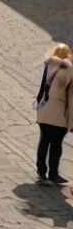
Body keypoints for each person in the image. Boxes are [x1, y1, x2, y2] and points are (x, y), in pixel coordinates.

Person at [35, 44, 73, 185]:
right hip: (59, 113)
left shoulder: (48, 65)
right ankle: (53, 173)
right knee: (56, 144)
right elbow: (71, 97)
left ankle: (41, 171)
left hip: (44, 109)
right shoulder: (68, 70)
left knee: (44, 140)